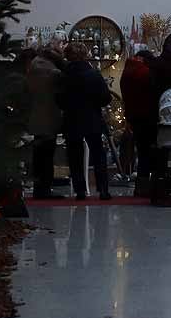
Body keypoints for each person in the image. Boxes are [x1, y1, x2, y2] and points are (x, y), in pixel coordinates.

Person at [57, 42, 112, 201]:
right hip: (92, 118)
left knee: (74, 155)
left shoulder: (64, 76)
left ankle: (80, 190)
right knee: (98, 154)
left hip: (72, 119)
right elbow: (105, 98)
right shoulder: (94, 74)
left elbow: (59, 99)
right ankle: (103, 190)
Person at [26, 48, 63, 199]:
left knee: (38, 156)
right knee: (47, 157)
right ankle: (45, 189)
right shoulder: (54, 72)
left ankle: (38, 187)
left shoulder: (32, 70)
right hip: (49, 119)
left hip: (35, 119)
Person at [120, 46, 158, 197]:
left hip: (133, 117)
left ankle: (140, 187)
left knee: (142, 152)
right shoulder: (146, 73)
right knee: (152, 152)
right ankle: (152, 186)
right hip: (149, 117)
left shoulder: (126, 73)